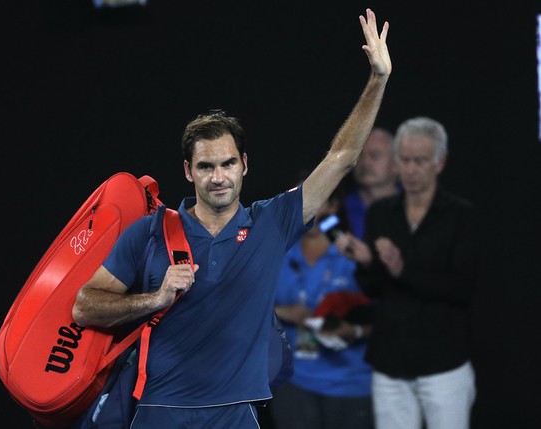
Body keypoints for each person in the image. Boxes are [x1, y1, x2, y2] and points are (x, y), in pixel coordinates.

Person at [71, 8, 391, 428]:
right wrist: (155, 299)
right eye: (205, 167)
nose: (218, 177)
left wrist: (378, 79)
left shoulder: (273, 221)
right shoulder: (150, 232)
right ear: (188, 171)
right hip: (158, 413)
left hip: (237, 415)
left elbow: (343, 157)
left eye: (226, 164)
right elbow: (84, 307)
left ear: (244, 164)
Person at [342, 117, 479, 429]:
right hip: (391, 362)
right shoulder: (381, 212)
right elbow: (375, 289)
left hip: (443, 363)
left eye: (420, 161)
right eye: (404, 160)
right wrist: (367, 264)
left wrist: (403, 270)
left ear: (439, 162)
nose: (411, 170)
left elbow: (462, 289)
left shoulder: (460, 215)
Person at [269, 184, 374, 429]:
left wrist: (354, 331)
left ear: (334, 206)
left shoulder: (353, 255)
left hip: (349, 384)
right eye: (303, 199)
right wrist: (285, 313)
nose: (310, 205)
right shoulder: (278, 254)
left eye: (320, 198)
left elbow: (387, 317)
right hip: (294, 381)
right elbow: (249, 309)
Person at [342, 127, 399, 240]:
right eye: (360, 156)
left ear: (397, 163)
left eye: (374, 155)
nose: (365, 162)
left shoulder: (416, 206)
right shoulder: (340, 209)